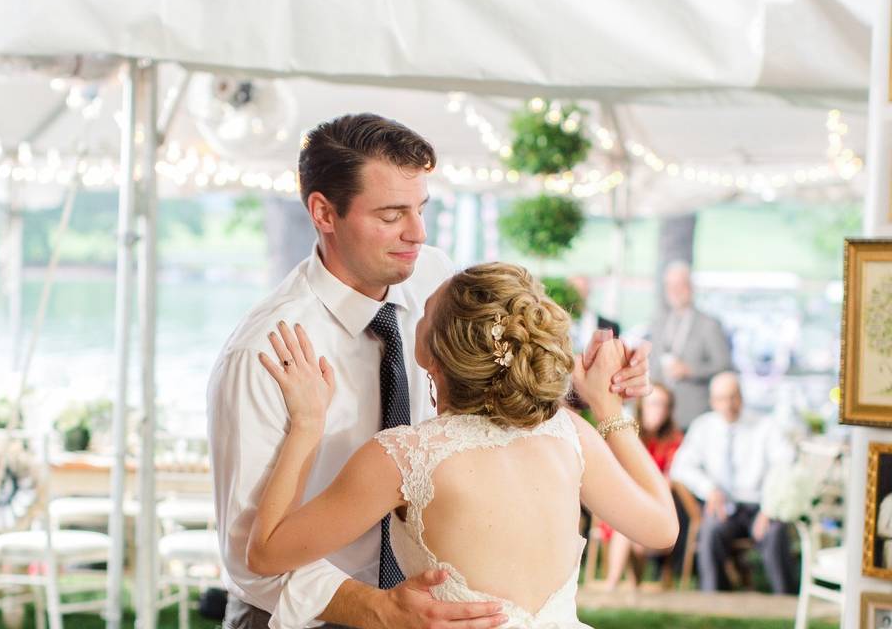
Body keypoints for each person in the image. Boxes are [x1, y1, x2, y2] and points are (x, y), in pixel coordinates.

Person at [206, 113, 654, 629]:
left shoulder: (436, 278)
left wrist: (585, 383)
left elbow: (490, 401)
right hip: (304, 617)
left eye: (421, 208)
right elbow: (248, 558)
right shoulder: (265, 351)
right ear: (324, 213)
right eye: (393, 214)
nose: (417, 233)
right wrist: (376, 608)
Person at [248, 263, 679, 628]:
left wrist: (306, 424)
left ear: (432, 356)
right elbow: (663, 528)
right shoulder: (566, 433)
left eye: (425, 312)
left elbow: (267, 553)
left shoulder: (406, 457)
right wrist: (607, 405)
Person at [669, 372, 797, 593]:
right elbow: (680, 467)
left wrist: (769, 508)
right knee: (711, 530)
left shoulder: (766, 426)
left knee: (775, 532)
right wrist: (709, 489)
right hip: (724, 506)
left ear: (742, 397)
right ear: (712, 401)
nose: (728, 405)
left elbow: (786, 465)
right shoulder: (703, 427)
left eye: (733, 397)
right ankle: (715, 599)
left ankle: (785, 600)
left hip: (761, 506)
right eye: (721, 399)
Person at [600, 383, 682, 590]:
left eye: (664, 405)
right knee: (628, 528)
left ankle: (615, 586)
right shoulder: (628, 435)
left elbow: (672, 478)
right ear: (642, 406)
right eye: (654, 404)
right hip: (626, 504)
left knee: (632, 531)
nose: (659, 410)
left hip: (658, 506)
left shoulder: (675, 440)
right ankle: (616, 585)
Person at [648, 261, 731, 430]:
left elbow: (724, 366)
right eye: (670, 286)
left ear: (691, 287)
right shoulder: (659, 323)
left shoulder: (709, 325)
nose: (675, 291)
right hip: (660, 416)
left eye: (680, 285)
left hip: (693, 414)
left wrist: (690, 370)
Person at [568, 276, 619, 352]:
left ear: (588, 292)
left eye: (581, 290)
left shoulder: (609, 327)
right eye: (573, 291)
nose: (577, 295)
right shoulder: (557, 324)